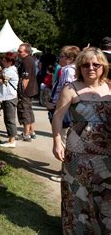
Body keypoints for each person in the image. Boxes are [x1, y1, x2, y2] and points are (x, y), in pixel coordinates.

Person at [52, 47, 110, 233]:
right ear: (79, 67)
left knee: (105, 194)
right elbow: (58, 117)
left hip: (107, 153)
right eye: (85, 64)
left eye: (95, 64)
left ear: (104, 66)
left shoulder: (109, 87)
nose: (90, 68)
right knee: (76, 193)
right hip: (77, 152)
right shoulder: (71, 88)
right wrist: (56, 141)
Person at [46, 45, 80, 182]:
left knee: (64, 140)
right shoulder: (72, 70)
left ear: (70, 58)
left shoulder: (67, 70)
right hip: (64, 107)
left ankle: (66, 173)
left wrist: (54, 104)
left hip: (62, 108)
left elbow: (66, 90)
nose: (59, 58)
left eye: (61, 56)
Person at [16, 43, 39, 141]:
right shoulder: (30, 60)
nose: (18, 53)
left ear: (26, 52)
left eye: (20, 51)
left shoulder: (26, 62)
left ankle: (26, 134)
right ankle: (31, 131)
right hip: (31, 90)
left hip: (26, 91)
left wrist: (21, 92)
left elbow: (26, 79)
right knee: (29, 110)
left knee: (24, 111)